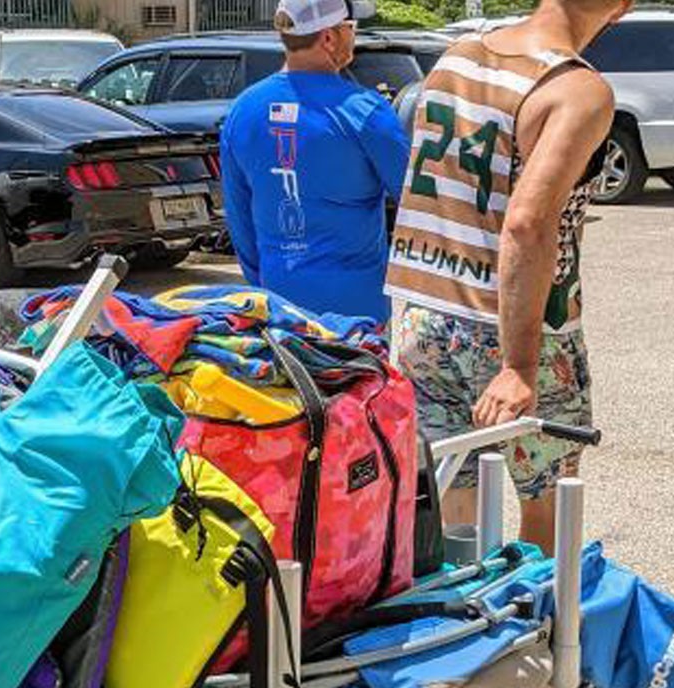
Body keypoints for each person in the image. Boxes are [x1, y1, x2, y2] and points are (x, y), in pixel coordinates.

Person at [386, 0, 628, 553]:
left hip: (426, 313)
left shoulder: (456, 58)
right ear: (621, 9)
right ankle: (542, 630)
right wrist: (519, 365)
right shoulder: (577, 89)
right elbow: (526, 223)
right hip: (525, 330)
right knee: (547, 507)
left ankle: (460, 629)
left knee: (451, 505)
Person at [219, 0, 410, 323]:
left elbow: (239, 220)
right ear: (328, 38)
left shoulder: (242, 111)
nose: (355, 36)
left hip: (279, 306)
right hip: (358, 314)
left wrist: (263, 285)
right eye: (351, 27)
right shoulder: (363, 111)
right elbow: (417, 205)